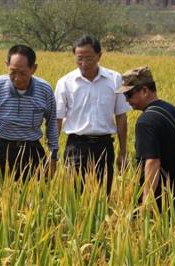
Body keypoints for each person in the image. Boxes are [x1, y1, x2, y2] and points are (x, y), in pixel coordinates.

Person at [0, 44, 58, 181]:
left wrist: (53, 156)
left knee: (36, 198)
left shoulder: (44, 90)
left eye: (23, 73)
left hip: (31, 150)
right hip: (1, 149)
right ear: (7, 65)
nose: (17, 78)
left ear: (34, 68)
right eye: (13, 72)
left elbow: (52, 124)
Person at [55, 35, 130, 195]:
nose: (84, 64)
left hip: (104, 146)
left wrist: (123, 151)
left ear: (99, 56)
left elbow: (121, 116)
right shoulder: (65, 82)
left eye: (88, 59)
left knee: (103, 195)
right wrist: (53, 153)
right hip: (76, 146)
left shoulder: (115, 79)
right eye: (79, 59)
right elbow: (58, 119)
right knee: (74, 195)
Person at [116, 66, 175, 211]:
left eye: (129, 95)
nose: (127, 100)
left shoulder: (146, 121)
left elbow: (152, 162)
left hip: (160, 195)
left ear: (145, 90)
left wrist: (147, 200)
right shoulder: (172, 110)